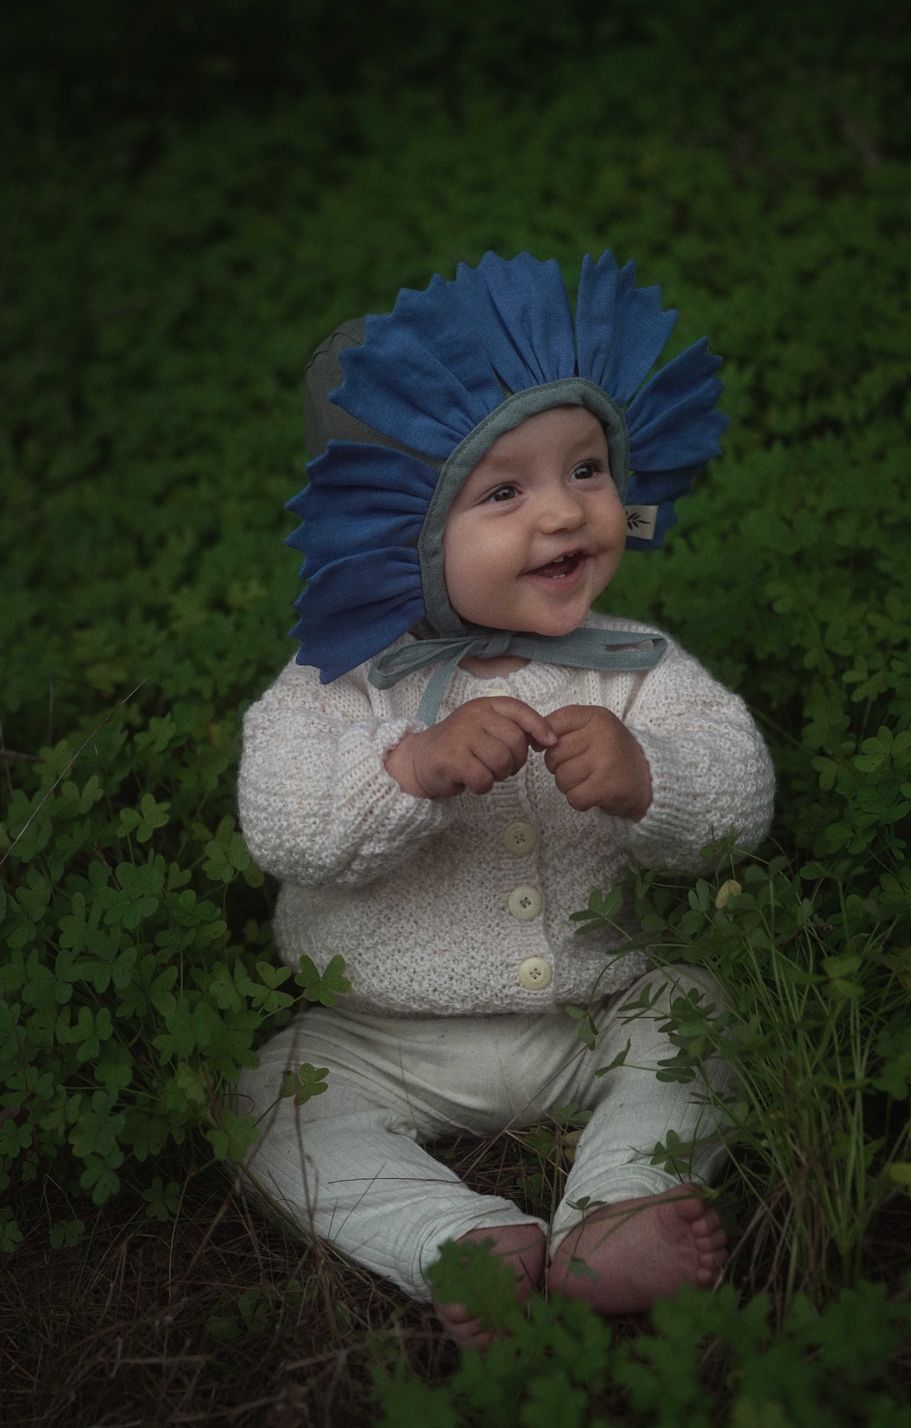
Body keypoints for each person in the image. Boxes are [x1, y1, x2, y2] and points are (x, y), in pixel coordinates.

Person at [236, 252, 774, 1347]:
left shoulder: (633, 663)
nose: (565, 515)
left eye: (585, 469)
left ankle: (613, 1203)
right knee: (264, 1098)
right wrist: (405, 773)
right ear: (404, 527)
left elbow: (740, 793)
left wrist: (651, 779)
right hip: (381, 1031)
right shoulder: (336, 679)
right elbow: (283, 820)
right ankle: (451, 1235)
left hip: (598, 1009)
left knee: (706, 1015)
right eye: (502, 492)